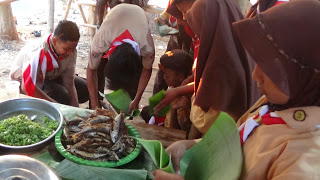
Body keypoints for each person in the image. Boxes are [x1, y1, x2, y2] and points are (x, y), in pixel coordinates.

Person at [153, 0, 320, 179]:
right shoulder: (269, 105)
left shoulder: (306, 159)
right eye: (258, 63)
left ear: (305, 71)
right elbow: (236, 140)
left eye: (270, 69)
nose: (255, 76)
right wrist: (192, 145)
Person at [154, 0, 258, 136]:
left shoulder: (221, 59)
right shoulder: (226, 42)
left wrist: (191, 102)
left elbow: (205, 122)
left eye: (185, 13)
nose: (184, 19)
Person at [87, 4, 155, 111]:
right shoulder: (101, 41)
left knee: (131, 87)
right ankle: (94, 106)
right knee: (98, 70)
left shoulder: (147, 46)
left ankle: (127, 110)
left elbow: (146, 70)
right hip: (115, 18)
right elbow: (91, 70)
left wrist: (136, 99)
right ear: (108, 56)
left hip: (138, 20)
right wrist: (94, 103)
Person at [10, 20, 89, 107]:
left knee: (84, 89)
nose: (70, 53)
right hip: (24, 82)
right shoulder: (37, 51)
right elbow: (27, 87)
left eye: (73, 48)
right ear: (55, 41)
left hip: (50, 77)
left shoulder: (71, 51)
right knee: (63, 96)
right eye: (67, 49)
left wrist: (76, 109)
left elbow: (69, 83)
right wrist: (58, 107)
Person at [158, 50, 193, 136]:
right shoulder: (174, 87)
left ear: (180, 77)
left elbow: (174, 134)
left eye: (167, 75)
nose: (164, 77)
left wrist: (173, 109)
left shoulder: (183, 101)